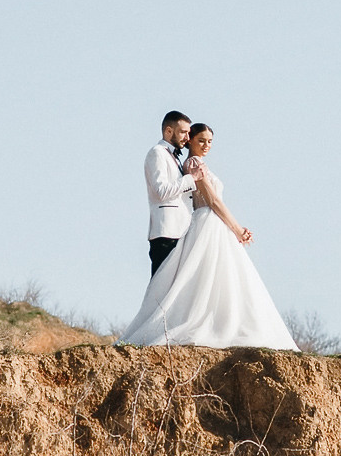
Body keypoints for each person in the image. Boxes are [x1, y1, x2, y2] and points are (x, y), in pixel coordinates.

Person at [119, 122, 299, 350]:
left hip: (212, 224)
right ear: (191, 141)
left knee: (222, 277)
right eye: (201, 140)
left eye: (210, 141)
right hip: (208, 222)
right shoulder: (193, 163)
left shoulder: (198, 164)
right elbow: (213, 201)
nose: (206, 145)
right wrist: (237, 228)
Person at [145, 110, 204, 276]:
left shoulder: (176, 157)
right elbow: (161, 190)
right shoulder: (157, 153)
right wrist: (191, 179)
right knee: (160, 288)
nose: (187, 137)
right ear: (168, 131)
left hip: (181, 231)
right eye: (183, 132)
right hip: (166, 233)